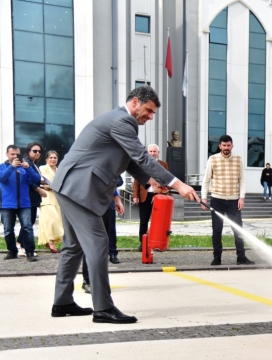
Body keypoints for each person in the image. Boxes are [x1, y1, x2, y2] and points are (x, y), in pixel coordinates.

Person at [50, 85, 199, 324]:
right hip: (79, 189)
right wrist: (179, 184)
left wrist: (151, 184)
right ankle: (103, 308)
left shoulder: (118, 121)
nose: (150, 117)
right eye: (149, 111)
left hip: (70, 186)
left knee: (73, 246)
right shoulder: (122, 121)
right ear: (136, 102)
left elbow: (130, 161)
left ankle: (63, 302)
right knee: (98, 244)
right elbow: (141, 157)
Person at [201, 134, 255, 266]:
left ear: (232, 146)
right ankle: (217, 258)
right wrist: (203, 198)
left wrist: (242, 197)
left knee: (238, 229)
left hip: (234, 201)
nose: (226, 148)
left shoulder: (238, 159)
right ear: (219, 146)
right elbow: (206, 180)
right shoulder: (212, 159)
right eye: (224, 145)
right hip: (217, 200)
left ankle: (241, 257)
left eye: (228, 145)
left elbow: (242, 180)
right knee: (217, 230)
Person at [0, 145, 40, 262]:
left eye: (17, 154)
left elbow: (36, 179)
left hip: (24, 204)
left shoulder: (24, 167)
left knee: (27, 228)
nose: (15, 156)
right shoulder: (2, 167)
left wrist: (28, 168)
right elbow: (2, 178)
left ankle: (29, 252)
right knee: (8, 229)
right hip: (7, 204)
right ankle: (12, 251)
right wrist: (11, 168)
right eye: (12, 154)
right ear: (7, 154)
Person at [82, 185, 125, 293]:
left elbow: (113, 179)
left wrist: (117, 199)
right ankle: (88, 281)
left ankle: (98, 281)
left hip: (107, 202)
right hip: (89, 202)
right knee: (91, 242)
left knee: (104, 242)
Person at [132, 144, 169, 251]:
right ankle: (142, 243)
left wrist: (166, 192)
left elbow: (167, 179)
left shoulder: (164, 165)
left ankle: (157, 242)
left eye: (154, 151)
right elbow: (136, 181)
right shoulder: (142, 164)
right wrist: (135, 195)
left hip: (158, 196)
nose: (152, 153)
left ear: (158, 152)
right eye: (151, 151)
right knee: (144, 220)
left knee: (158, 221)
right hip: (145, 196)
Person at [17, 142, 47, 257]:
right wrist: (38, 189)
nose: (37, 153)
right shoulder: (25, 162)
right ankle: (23, 246)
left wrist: (41, 182)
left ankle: (21, 244)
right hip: (28, 195)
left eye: (39, 151)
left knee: (30, 221)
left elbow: (34, 178)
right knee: (28, 222)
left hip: (33, 197)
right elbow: (26, 179)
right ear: (28, 151)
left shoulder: (34, 163)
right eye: (35, 151)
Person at [39, 150, 64, 253]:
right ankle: (51, 243)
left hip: (57, 198)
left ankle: (50, 241)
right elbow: (46, 182)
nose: (53, 160)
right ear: (46, 159)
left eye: (55, 158)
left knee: (57, 220)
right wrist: (53, 186)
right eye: (51, 157)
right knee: (52, 220)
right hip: (46, 197)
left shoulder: (59, 170)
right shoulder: (43, 168)